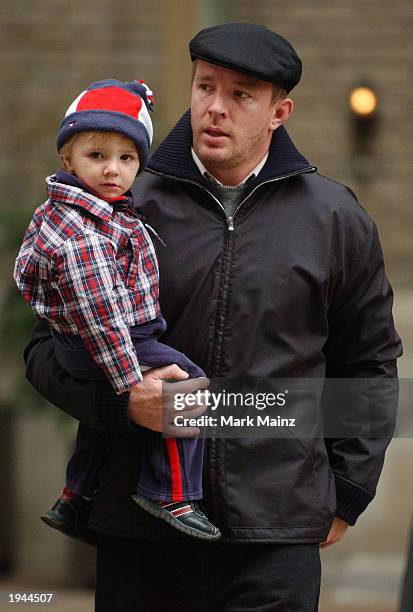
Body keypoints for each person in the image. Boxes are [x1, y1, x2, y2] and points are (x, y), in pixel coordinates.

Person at [23, 23, 402, 612]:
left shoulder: (335, 219)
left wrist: (346, 492)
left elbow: (368, 363)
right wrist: (123, 405)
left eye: (242, 94)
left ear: (280, 112)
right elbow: (45, 350)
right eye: (205, 87)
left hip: (277, 536)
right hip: (141, 530)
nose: (215, 108)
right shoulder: (118, 208)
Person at [14, 78, 220, 543]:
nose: (112, 170)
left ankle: (75, 494)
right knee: (184, 386)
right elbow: (101, 315)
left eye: (126, 159)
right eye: (97, 156)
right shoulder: (85, 232)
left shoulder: (86, 211)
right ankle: (171, 492)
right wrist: (129, 381)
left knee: (100, 425)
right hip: (112, 340)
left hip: (92, 339)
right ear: (68, 159)